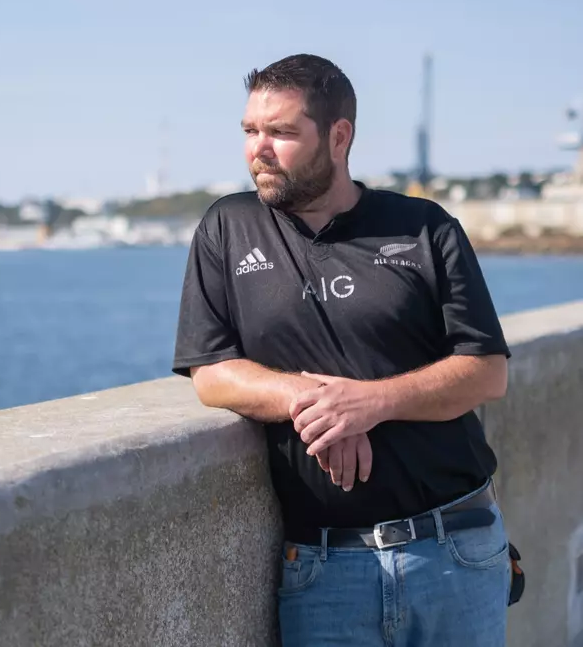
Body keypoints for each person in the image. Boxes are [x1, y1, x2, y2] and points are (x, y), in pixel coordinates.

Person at [173, 53, 511, 646]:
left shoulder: (424, 227)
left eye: (281, 132)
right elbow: (212, 371)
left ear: (338, 135)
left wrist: (371, 403)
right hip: (323, 568)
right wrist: (315, 398)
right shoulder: (227, 229)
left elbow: (485, 372)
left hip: (454, 546)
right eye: (251, 131)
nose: (260, 149)